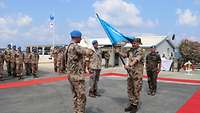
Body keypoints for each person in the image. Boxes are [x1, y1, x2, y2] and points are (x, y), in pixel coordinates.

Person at [66, 30, 92, 113]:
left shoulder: (68, 46)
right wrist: (91, 47)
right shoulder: (75, 46)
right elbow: (88, 52)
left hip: (71, 75)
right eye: (80, 37)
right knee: (81, 96)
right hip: (76, 76)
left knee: (75, 95)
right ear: (76, 37)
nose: (81, 39)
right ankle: (80, 111)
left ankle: (76, 110)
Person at [120, 38, 144, 113]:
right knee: (130, 89)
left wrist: (129, 65)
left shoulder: (141, 51)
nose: (133, 44)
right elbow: (124, 55)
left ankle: (135, 106)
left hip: (137, 74)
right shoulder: (130, 50)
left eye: (135, 43)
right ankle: (131, 104)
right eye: (132, 43)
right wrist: (118, 50)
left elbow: (136, 59)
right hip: (130, 73)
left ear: (138, 43)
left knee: (136, 90)